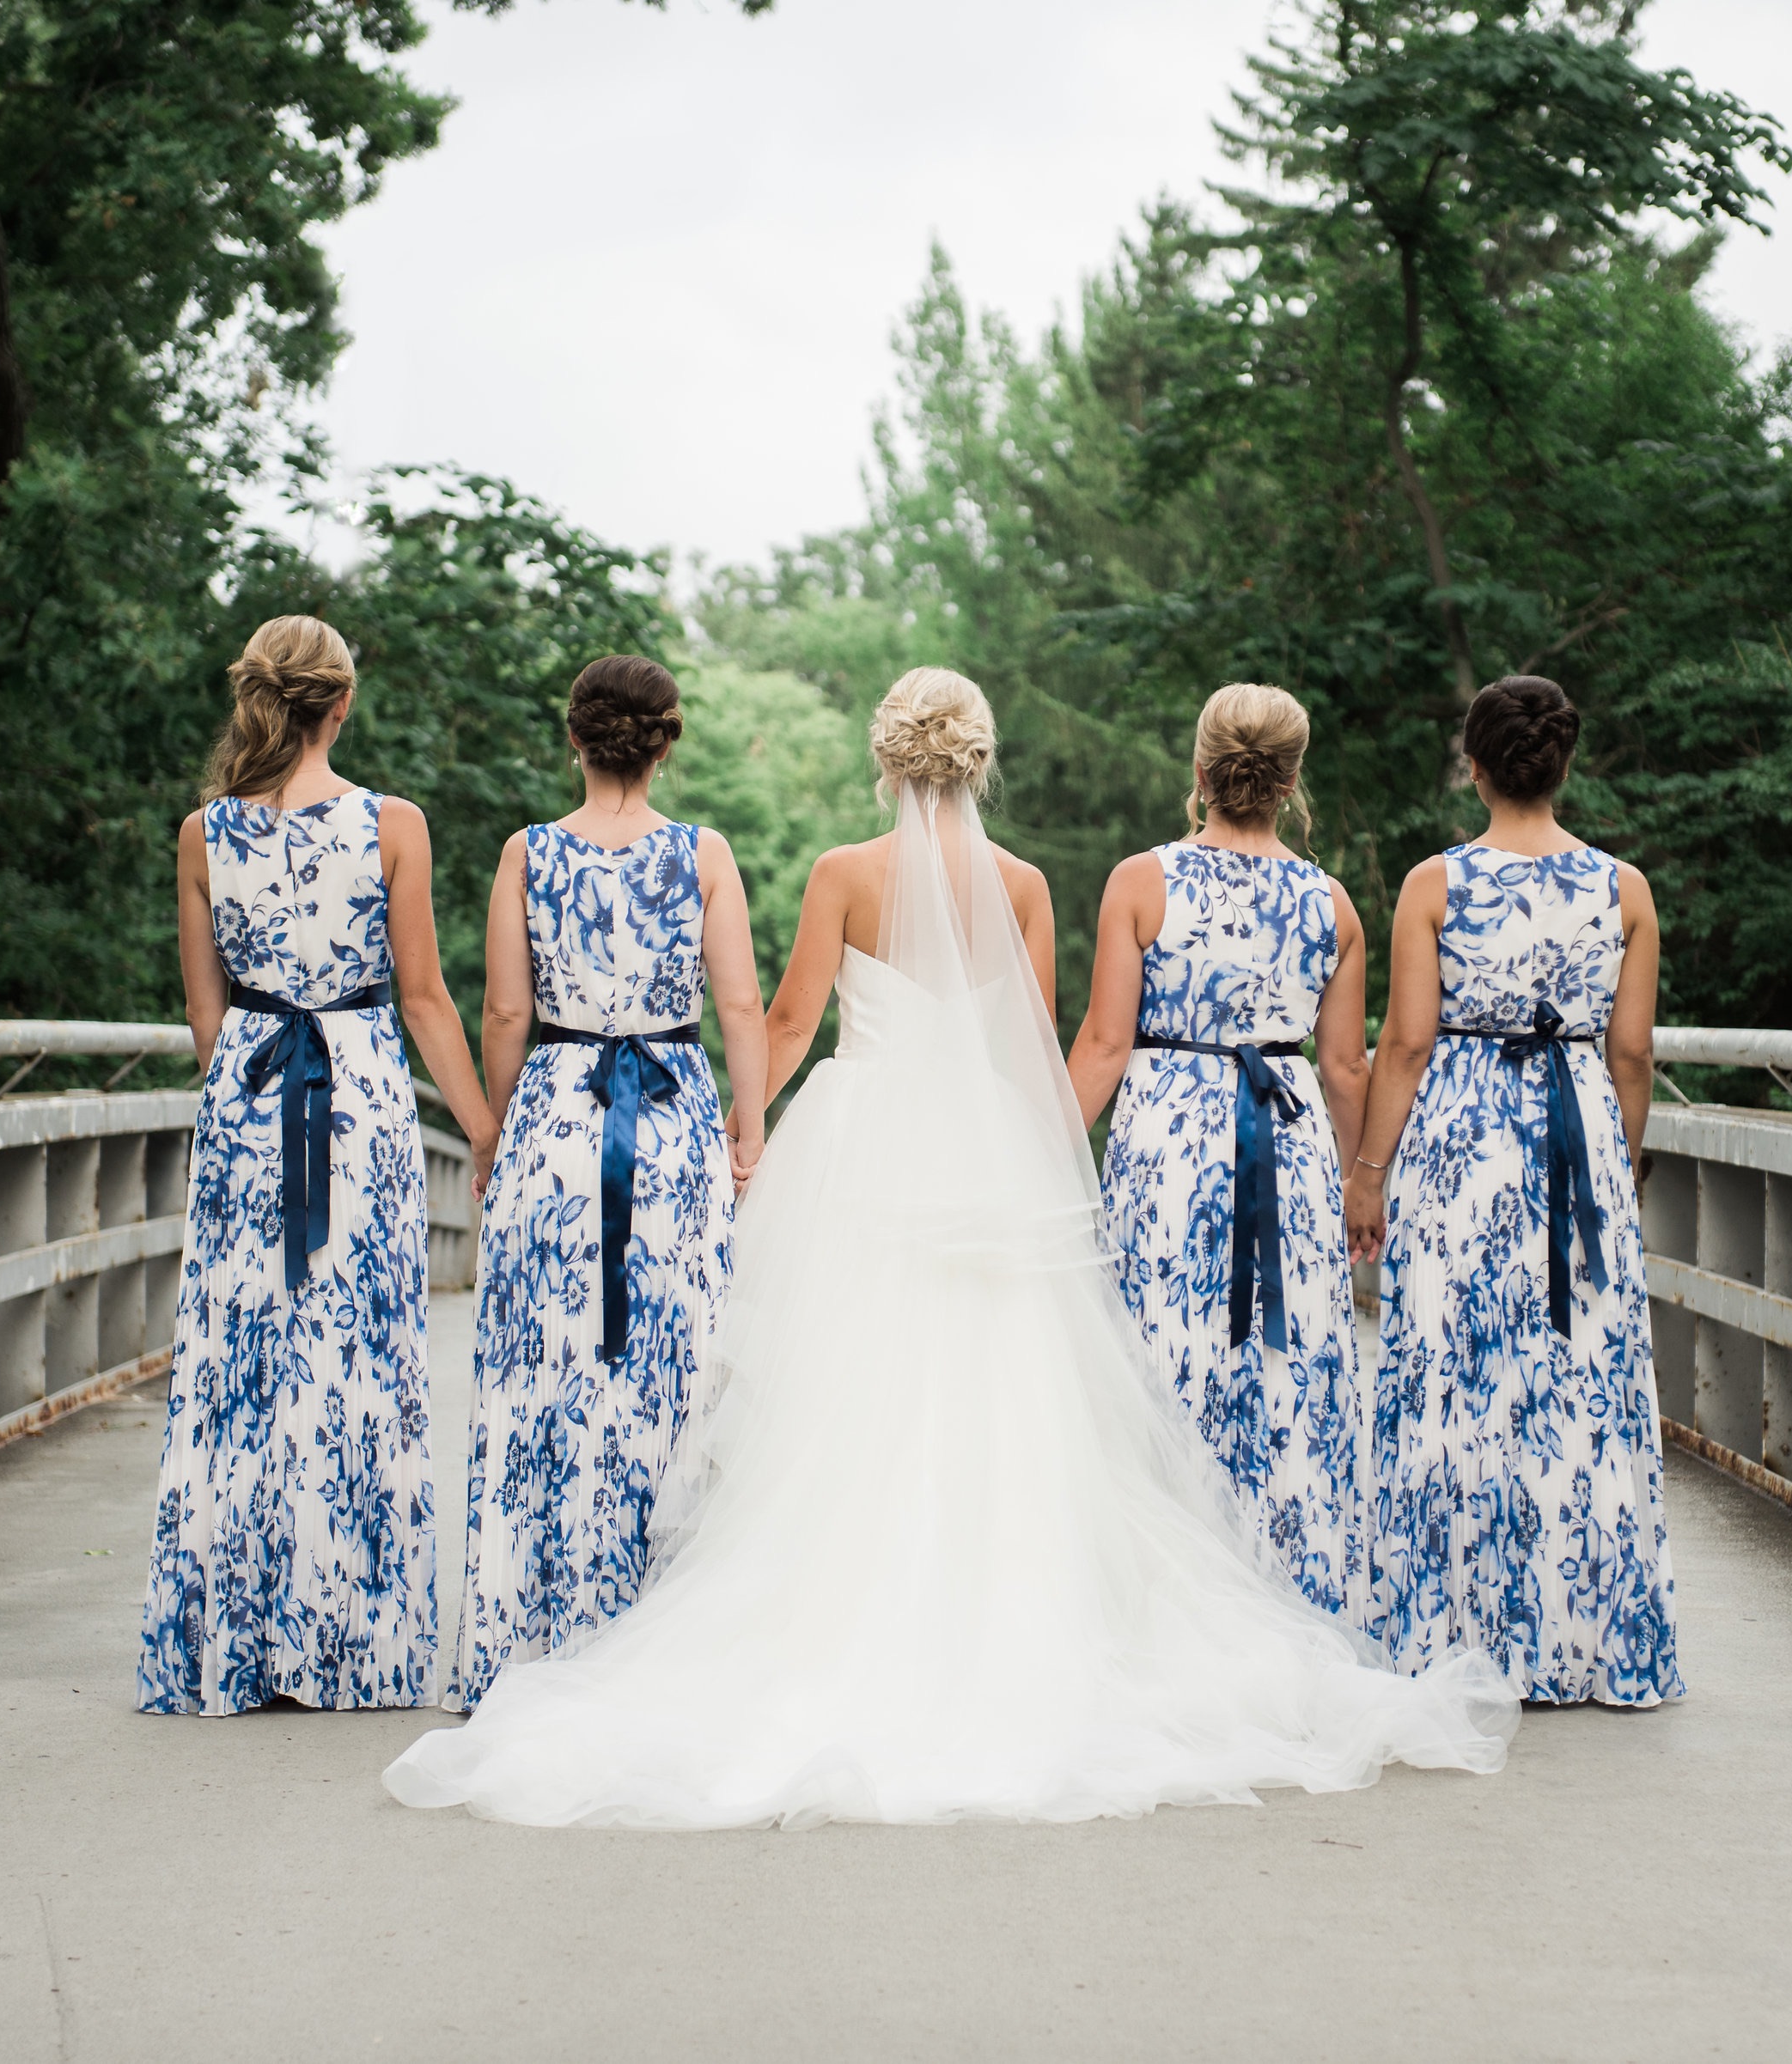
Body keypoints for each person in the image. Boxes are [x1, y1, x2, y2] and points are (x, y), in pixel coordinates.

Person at [381, 667, 1515, 1828]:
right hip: (977, 1141)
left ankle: (845, 1616)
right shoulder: (1023, 883)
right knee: (999, 1391)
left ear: (890, 757)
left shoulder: (842, 874)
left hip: (865, 1137)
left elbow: (784, 1018)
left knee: (851, 1383)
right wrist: (1027, 1161)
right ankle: (1008, 1622)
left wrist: (752, 1125)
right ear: (979, 757)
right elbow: (1037, 1038)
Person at [140, 615, 501, 1716]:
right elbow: (427, 997)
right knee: (356, 1360)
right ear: (342, 705)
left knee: (244, 1363)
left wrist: (256, 1085)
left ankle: (233, 1646)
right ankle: (353, 1643)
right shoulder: (394, 825)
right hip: (360, 1096)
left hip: (251, 1098)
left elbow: (206, 1022)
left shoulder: (204, 835)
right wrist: (487, 1131)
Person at [1345, 674, 1681, 1707]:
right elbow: (1632, 1055)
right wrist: (1616, 1166)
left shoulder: (1434, 885)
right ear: (1562, 764)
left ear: (1476, 767)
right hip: (1576, 1136)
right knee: (1577, 1379)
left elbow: (1403, 1045)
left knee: (1454, 1373)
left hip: (1461, 1146)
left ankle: (1451, 1632)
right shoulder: (1623, 890)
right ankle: (1586, 1635)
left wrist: (1367, 1172)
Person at [454, 655, 769, 1705]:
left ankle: (539, 1627)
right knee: (673, 1366)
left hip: (557, 1115)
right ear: (666, 743)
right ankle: (664, 1625)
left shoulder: (528, 853)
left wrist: (497, 1134)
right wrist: (751, 1124)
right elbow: (739, 1007)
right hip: (673, 1115)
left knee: (548, 1366)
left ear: (574, 740)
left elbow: (504, 1013)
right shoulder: (704, 852)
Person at [1068, 683, 1368, 1613]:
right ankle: (1293, 1596)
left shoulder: (1141, 881)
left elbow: (1106, 1046)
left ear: (1199, 774)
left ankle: (1159, 1604)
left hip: (1167, 1145)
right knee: (1288, 1364)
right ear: (1290, 783)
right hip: (1289, 1145)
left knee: (1161, 1354)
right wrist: (1365, 1183)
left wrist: (1040, 1156)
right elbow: (1347, 1070)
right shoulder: (1332, 902)